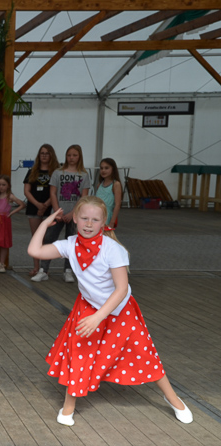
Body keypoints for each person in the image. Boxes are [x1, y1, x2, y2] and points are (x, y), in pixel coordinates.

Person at [27, 196, 192, 426]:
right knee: (80, 352)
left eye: (95, 220)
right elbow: (34, 250)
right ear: (75, 219)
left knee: (144, 351)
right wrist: (45, 223)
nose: (88, 224)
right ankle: (69, 405)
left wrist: (99, 316)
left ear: (103, 223)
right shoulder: (70, 244)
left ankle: (172, 398)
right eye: (84, 218)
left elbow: (121, 289)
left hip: (120, 309)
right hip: (88, 306)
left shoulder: (112, 249)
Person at [33, 144, 90, 283]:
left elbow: (83, 197)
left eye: (74, 155)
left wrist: (73, 213)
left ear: (79, 157)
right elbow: (53, 193)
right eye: (69, 155)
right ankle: (43, 270)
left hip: (75, 215)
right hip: (58, 213)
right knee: (49, 239)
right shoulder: (58, 173)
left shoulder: (84, 175)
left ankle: (68, 270)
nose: (71, 158)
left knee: (72, 241)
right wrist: (57, 211)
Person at [23, 144, 58, 277]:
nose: (44, 155)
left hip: (50, 208)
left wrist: (45, 205)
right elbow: (26, 191)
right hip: (34, 208)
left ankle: (44, 268)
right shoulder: (32, 171)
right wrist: (38, 205)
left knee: (47, 238)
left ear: (51, 155)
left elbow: (56, 191)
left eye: (47, 153)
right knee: (36, 238)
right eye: (42, 153)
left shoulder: (56, 172)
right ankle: (36, 267)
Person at [96, 157, 122, 229]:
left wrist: (112, 222)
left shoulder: (116, 184)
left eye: (106, 168)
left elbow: (117, 205)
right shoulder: (99, 185)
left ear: (113, 169)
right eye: (101, 168)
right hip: (96, 216)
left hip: (107, 217)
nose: (103, 170)